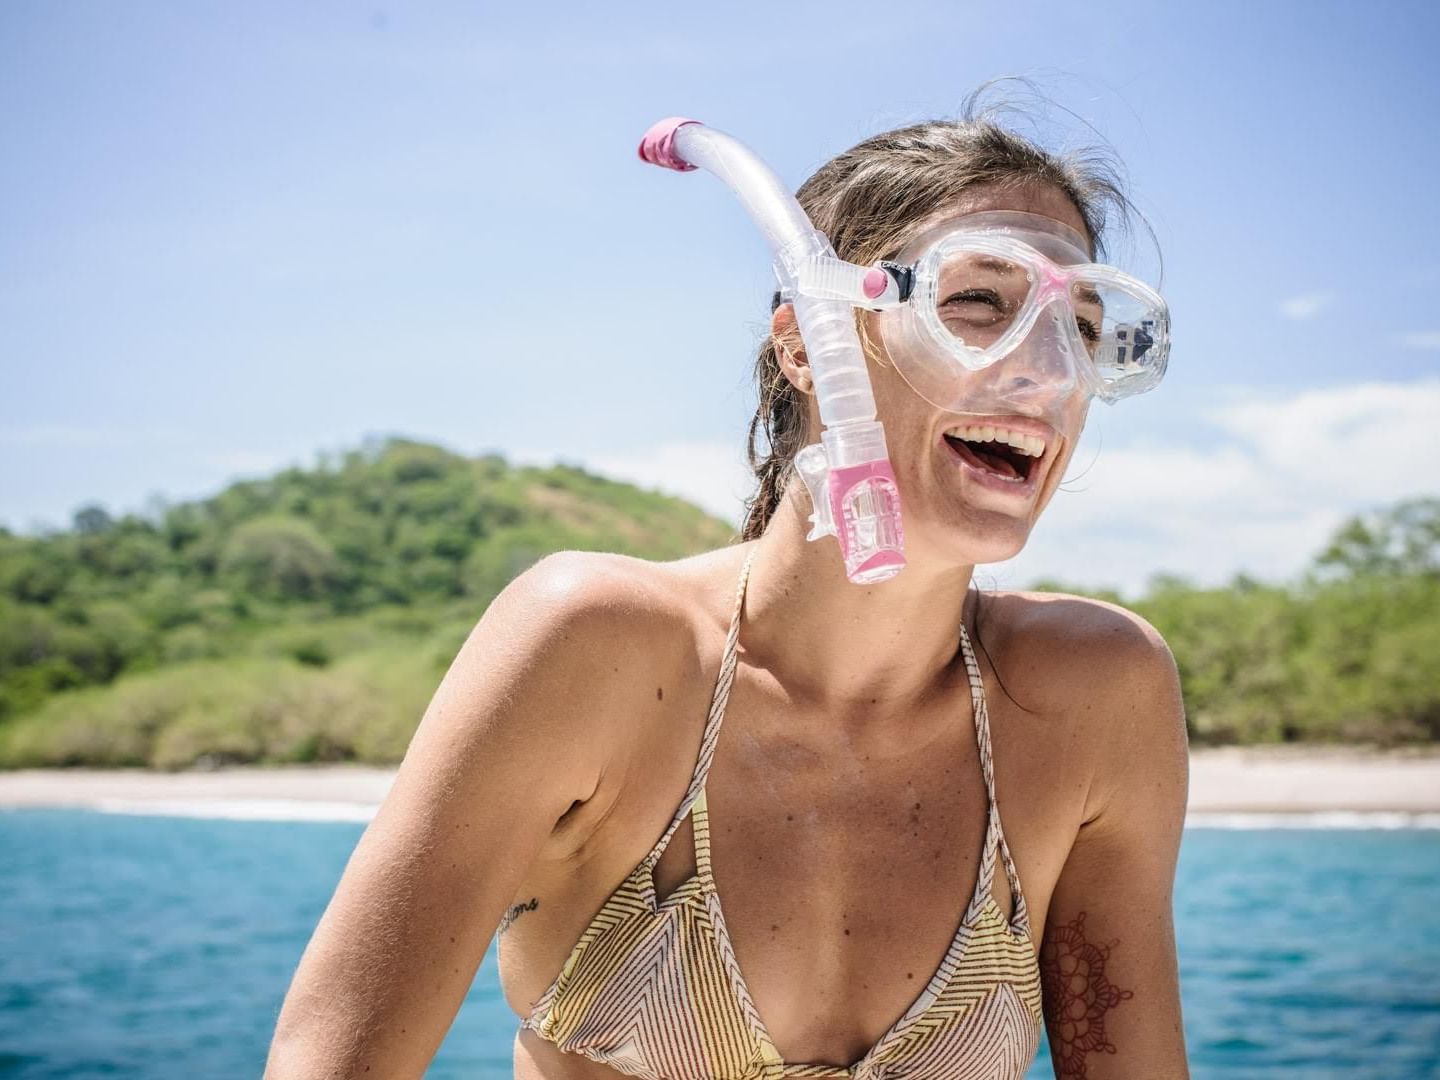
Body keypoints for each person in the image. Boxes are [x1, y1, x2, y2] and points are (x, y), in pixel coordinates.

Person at [266, 101, 1190, 1080]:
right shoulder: (598, 648)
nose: (1047, 376)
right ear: (809, 344)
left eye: (1081, 330)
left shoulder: (1093, 696)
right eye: (977, 306)